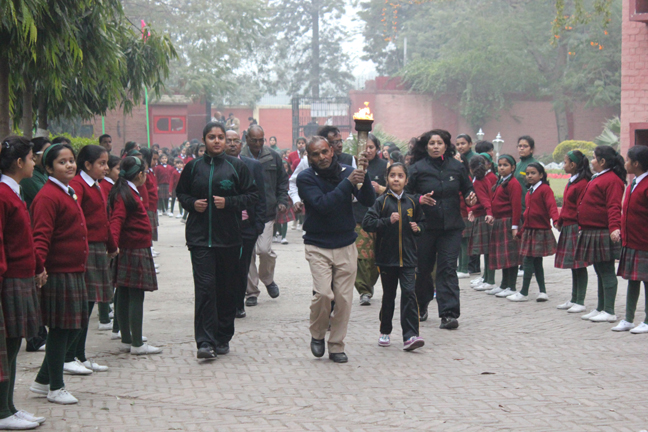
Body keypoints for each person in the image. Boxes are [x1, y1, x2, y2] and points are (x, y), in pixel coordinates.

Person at [177, 122, 258, 359]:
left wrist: (229, 202)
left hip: (229, 239)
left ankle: (223, 337)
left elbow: (252, 195)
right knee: (205, 289)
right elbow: (181, 193)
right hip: (200, 239)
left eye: (220, 137)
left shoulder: (237, 167)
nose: (217, 141)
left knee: (226, 290)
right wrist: (193, 204)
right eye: (212, 137)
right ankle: (205, 342)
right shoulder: (193, 167)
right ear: (204, 140)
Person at [296, 136, 375, 363]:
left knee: (343, 300)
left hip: (346, 244)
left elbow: (368, 200)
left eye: (324, 152)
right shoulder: (306, 178)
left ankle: (336, 345)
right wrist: (348, 183)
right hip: (317, 245)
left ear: (331, 151)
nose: (321, 157)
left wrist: (364, 175)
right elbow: (323, 205)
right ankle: (318, 333)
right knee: (323, 294)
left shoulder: (348, 172)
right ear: (309, 157)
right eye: (315, 154)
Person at [30, 143, 89, 405]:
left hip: (73, 270)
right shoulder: (47, 196)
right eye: (62, 162)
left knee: (75, 325)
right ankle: (56, 386)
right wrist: (40, 267)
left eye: (71, 160)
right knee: (60, 329)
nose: (69, 165)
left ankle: (42, 381)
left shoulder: (67, 191)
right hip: (58, 272)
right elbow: (41, 236)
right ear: (49, 167)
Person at [406, 130, 476, 330]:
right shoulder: (417, 168)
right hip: (425, 227)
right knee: (423, 270)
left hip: (451, 228)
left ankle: (449, 314)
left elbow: (468, 188)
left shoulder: (457, 166)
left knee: (447, 269)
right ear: (426, 146)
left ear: (446, 146)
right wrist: (420, 199)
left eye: (439, 143)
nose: (436, 146)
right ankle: (421, 304)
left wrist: (471, 197)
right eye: (432, 143)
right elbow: (405, 194)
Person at [0, 136, 47, 428]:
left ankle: (10, 407)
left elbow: (25, 237)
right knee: (6, 347)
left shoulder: (13, 192)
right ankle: (3, 412)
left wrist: (38, 266)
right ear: (19, 162)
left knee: (13, 344)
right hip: (10, 279)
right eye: (31, 158)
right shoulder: (3, 195)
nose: (34, 162)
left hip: (21, 276)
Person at [362, 163, 424, 351]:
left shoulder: (412, 202)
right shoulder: (381, 202)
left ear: (406, 180)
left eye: (400, 176)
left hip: (408, 258)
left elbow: (422, 223)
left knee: (409, 294)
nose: (396, 179)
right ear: (387, 179)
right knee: (389, 295)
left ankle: (410, 335)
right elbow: (368, 223)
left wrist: (418, 228)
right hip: (386, 259)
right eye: (393, 176)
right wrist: (387, 221)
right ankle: (385, 331)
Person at [65, 145, 116, 375]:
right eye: (101, 163)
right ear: (87, 165)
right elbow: (77, 220)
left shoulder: (95, 185)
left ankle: (80, 355)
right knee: (83, 305)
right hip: (86, 248)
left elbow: (104, 219)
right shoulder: (78, 186)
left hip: (97, 247)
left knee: (89, 302)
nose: (106, 168)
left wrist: (111, 245)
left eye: (106, 163)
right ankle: (69, 355)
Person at [108, 156, 162, 355]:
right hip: (134, 249)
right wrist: (112, 245)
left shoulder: (125, 190)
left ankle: (127, 339)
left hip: (130, 248)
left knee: (123, 293)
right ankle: (137, 343)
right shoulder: (126, 194)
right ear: (140, 175)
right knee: (135, 295)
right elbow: (116, 220)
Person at [576, 145, 625, 323]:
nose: (592, 161)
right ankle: (601, 307)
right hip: (592, 230)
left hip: (603, 231)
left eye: (594, 158)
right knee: (599, 270)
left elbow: (614, 206)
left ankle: (609, 310)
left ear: (602, 161)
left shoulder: (612, 180)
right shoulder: (600, 177)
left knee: (606, 271)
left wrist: (614, 228)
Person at [241, 125, 289, 306]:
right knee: (248, 254)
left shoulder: (273, 156)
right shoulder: (240, 156)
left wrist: (282, 200)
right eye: (254, 140)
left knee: (263, 250)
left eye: (261, 140)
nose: (258, 143)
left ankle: (267, 279)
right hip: (246, 212)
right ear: (247, 139)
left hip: (267, 211)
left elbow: (282, 181)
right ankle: (251, 292)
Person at [224, 130, 266, 319]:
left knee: (242, 267)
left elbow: (261, 196)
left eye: (236, 141)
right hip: (224, 226)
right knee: (226, 266)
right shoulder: (216, 165)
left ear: (242, 145)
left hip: (246, 226)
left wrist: (258, 225)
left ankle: (238, 304)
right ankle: (225, 303)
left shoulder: (253, 165)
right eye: (228, 141)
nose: (232, 144)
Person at [507, 163, 559, 302]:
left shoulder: (545, 189)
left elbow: (552, 206)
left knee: (528, 260)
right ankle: (542, 291)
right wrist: (521, 232)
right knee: (537, 262)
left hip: (540, 231)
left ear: (541, 175)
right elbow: (527, 216)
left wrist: (556, 220)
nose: (530, 176)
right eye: (528, 173)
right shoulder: (530, 191)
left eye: (533, 173)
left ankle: (524, 292)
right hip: (529, 231)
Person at [613, 146, 648, 333]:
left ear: (636, 163)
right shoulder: (634, 183)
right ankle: (628, 318)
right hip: (631, 241)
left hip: (644, 242)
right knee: (632, 280)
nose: (625, 163)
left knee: (647, 282)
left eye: (627, 160)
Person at [353, 133, 387, 306]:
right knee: (361, 256)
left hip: (381, 217)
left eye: (371, 147)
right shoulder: (353, 165)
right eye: (364, 147)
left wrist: (380, 188)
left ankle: (371, 284)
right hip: (359, 216)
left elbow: (396, 189)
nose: (368, 151)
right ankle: (364, 290)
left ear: (377, 149)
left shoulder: (385, 167)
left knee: (376, 256)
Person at [555, 150, 591, 313]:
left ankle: (580, 300)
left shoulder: (582, 183)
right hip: (568, 226)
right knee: (573, 265)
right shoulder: (572, 181)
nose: (563, 165)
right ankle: (574, 298)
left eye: (565, 162)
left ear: (573, 164)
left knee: (579, 265)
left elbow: (580, 207)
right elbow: (567, 205)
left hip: (576, 226)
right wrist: (560, 221)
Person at [486, 155, 523, 297]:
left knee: (511, 256)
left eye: (505, 165)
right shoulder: (501, 181)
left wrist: (514, 227)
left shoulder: (514, 183)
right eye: (500, 165)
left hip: (508, 222)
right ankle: (503, 284)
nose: (502, 168)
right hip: (499, 222)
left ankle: (511, 286)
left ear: (513, 168)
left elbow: (516, 206)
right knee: (503, 255)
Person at [467, 155, 496, 291]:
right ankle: (486, 277)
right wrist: (473, 210)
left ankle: (490, 280)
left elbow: (485, 200)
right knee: (487, 250)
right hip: (483, 214)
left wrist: (489, 213)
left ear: (471, 169)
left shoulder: (478, 182)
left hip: (484, 218)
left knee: (487, 250)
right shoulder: (485, 179)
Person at [20, 137, 51, 209]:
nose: (51, 155)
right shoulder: (29, 176)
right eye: (46, 152)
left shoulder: (44, 172)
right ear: (34, 156)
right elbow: (48, 199)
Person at [273, 160, 295, 245]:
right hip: (276, 200)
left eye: (286, 168)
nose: (285, 170)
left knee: (285, 219)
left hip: (287, 200)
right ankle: (279, 233)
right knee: (277, 219)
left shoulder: (290, 177)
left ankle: (284, 237)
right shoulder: (275, 177)